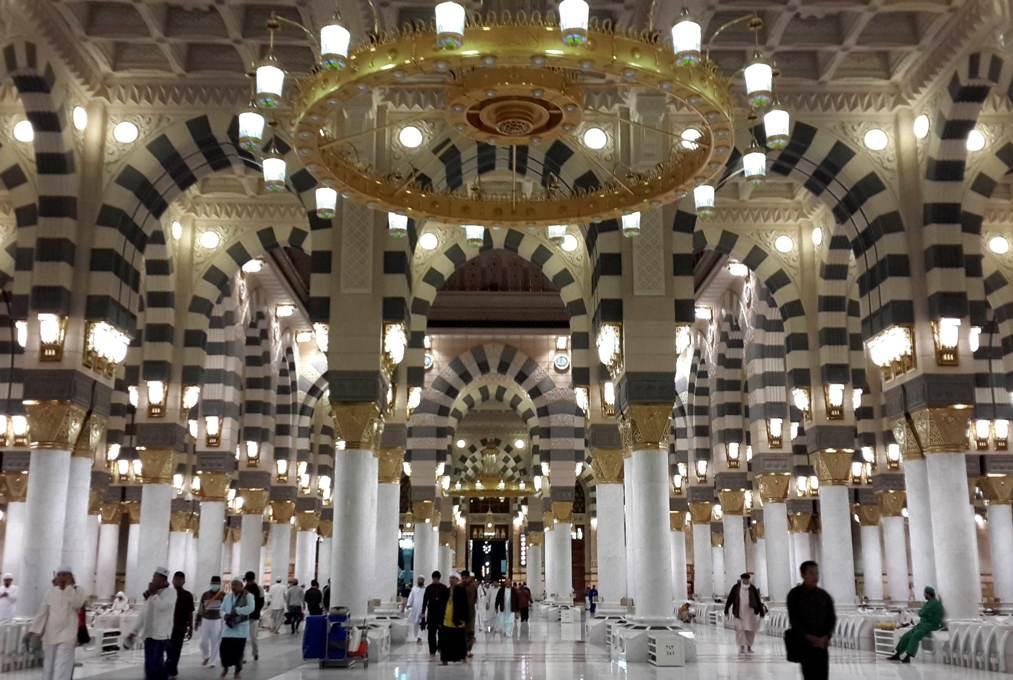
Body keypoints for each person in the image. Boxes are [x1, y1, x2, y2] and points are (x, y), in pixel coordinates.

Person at [27, 566, 87, 680]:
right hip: (50, 634)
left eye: (65, 575)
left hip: (68, 634)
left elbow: (77, 604)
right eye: (60, 575)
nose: (62, 577)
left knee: (62, 665)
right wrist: (33, 631)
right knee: (48, 666)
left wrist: (69, 588)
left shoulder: (78, 590)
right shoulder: (50, 592)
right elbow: (42, 612)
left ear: (71, 576)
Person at [786, 561, 836, 680]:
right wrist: (808, 636)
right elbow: (794, 619)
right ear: (803, 575)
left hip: (822, 645)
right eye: (811, 573)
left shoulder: (824, 595)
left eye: (817, 573)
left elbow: (831, 617)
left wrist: (826, 635)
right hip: (805, 644)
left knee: (823, 675)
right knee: (809, 675)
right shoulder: (795, 595)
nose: (815, 576)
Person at [125, 567, 177, 680]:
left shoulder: (171, 593)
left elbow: (163, 607)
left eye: (156, 578)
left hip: (161, 636)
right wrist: (134, 631)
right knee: (149, 666)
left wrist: (153, 594)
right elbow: (143, 614)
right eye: (153, 578)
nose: (153, 580)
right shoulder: (152, 595)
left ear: (164, 580)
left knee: (156, 665)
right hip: (149, 634)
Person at [887, 586, 945, 663]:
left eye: (924, 593)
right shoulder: (930, 602)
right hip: (923, 625)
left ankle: (908, 657)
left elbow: (921, 613)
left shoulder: (933, 603)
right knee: (906, 635)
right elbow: (923, 613)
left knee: (915, 636)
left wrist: (922, 613)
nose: (924, 595)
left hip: (930, 626)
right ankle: (897, 654)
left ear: (928, 594)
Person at [219, 579, 254, 679]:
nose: (233, 587)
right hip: (228, 630)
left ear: (241, 586)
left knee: (238, 653)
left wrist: (237, 611)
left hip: (241, 630)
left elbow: (251, 608)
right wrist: (225, 615)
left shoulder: (248, 596)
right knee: (223, 650)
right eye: (232, 585)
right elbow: (221, 609)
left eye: (235, 585)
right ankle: (225, 668)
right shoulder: (227, 597)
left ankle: (237, 672)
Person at [724, 572, 764, 655]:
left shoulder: (752, 588)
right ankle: (741, 646)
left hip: (750, 613)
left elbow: (757, 600)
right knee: (740, 630)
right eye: (744, 579)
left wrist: (761, 611)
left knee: (750, 630)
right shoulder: (736, 588)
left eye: (747, 579)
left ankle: (749, 647)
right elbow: (730, 598)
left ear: (749, 579)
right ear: (742, 580)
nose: (746, 581)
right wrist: (726, 609)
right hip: (739, 613)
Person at [165, 571, 194, 679]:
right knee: (169, 650)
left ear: (184, 581)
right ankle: (171, 670)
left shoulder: (187, 595)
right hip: (167, 628)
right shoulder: (167, 593)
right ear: (172, 580)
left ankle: (171, 671)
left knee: (176, 650)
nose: (177, 581)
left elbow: (190, 613)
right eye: (175, 579)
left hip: (180, 628)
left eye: (179, 579)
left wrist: (191, 628)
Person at [195, 576, 225, 667]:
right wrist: (197, 620)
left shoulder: (223, 595)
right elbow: (201, 608)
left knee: (215, 642)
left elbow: (226, 608)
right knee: (203, 641)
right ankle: (206, 656)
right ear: (210, 583)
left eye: (216, 584)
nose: (214, 585)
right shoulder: (205, 595)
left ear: (219, 584)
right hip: (205, 620)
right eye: (213, 583)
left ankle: (213, 661)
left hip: (217, 621)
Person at [439, 574, 469, 665]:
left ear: (457, 580)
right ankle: (445, 659)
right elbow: (441, 605)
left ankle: (462, 657)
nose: (451, 580)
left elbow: (465, 606)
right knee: (445, 640)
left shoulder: (461, 591)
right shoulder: (446, 591)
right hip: (446, 619)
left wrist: (464, 620)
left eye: (453, 579)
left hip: (457, 620)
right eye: (450, 578)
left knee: (459, 640)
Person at [419, 570, 449, 657]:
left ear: (439, 578)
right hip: (432, 614)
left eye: (436, 579)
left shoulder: (444, 588)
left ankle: (440, 647)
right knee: (431, 633)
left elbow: (447, 601)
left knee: (441, 632)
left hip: (441, 614)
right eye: (434, 579)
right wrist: (423, 612)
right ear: (432, 578)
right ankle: (432, 650)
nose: (435, 580)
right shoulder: (429, 588)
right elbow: (425, 601)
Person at [242, 572, 263, 661]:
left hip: (254, 617)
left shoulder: (259, 588)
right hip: (245, 617)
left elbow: (261, 602)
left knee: (253, 637)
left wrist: (256, 611)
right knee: (243, 637)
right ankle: (243, 657)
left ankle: (255, 653)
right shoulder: (244, 589)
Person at [404, 576, 426, 644]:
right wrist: (408, 604)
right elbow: (411, 597)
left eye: (421, 580)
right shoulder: (414, 589)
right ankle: (417, 637)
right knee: (415, 623)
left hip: (423, 609)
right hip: (415, 608)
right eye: (419, 580)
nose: (420, 581)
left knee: (421, 623)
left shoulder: (426, 589)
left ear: (423, 581)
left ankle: (420, 638)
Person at [461, 570, 478, 655]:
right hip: (461, 613)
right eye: (462, 578)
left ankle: (468, 650)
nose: (464, 580)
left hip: (470, 613)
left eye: (465, 578)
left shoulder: (473, 587)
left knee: (470, 632)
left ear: (468, 578)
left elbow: (475, 599)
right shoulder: (459, 587)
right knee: (461, 632)